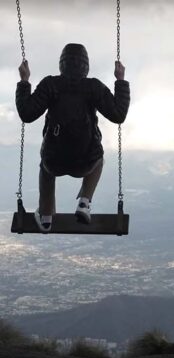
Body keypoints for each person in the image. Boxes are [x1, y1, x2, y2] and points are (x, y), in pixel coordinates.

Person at [16, 43, 130, 232]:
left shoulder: (50, 85)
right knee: (99, 160)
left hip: (54, 160)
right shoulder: (93, 87)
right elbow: (118, 115)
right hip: (86, 160)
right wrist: (120, 80)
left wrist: (24, 81)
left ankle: (45, 216)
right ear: (86, 66)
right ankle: (84, 203)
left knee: (46, 169)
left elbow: (26, 114)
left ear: (62, 64)